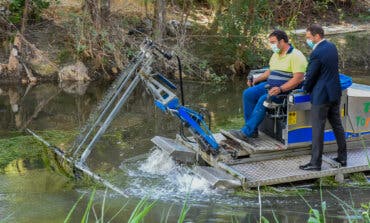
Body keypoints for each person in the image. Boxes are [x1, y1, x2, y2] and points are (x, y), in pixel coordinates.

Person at [230, 30, 307, 140]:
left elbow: (298, 79)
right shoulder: (276, 54)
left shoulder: (296, 56)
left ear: (282, 41)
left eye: (273, 42)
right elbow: (270, 71)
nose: (271, 45)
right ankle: (252, 131)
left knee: (264, 99)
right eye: (270, 42)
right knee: (248, 93)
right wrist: (257, 79)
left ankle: (246, 132)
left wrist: (280, 89)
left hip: (284, 91)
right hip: (270, 85)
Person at [299, 24, 347, 171]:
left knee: (317, 129)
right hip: (334, 92)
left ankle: (315, 163)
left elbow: (311, 75)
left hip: (321, 96)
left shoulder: (317, 52)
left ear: (317, 36)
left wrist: (305, 89)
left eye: (308, 37)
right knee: (337, 125)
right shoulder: (331, 46)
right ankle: (342, 158)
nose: (307, 40)